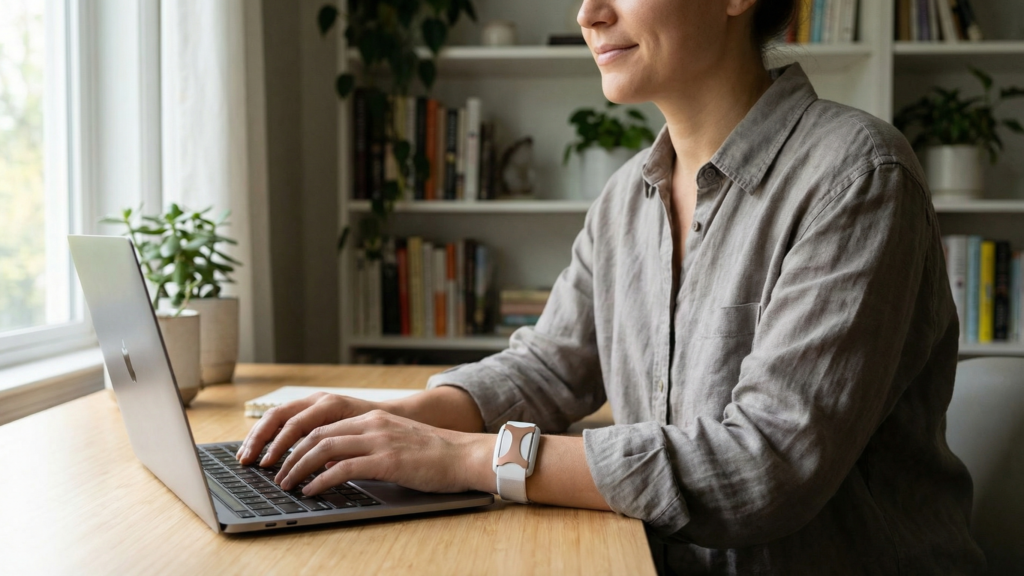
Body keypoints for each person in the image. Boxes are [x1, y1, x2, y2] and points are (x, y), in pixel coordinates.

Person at [238, 0, 986, 573]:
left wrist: (464, 458)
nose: (588, 13)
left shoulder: (857, 175)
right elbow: (547, 367)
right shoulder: (629, 195)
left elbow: (765, 467)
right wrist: (394, 419)